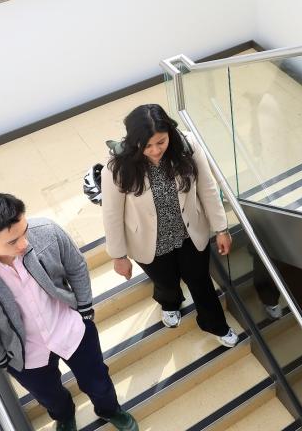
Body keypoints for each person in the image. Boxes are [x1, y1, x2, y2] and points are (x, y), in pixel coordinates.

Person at [0, 193, 138, 431]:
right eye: (12, 242)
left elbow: (76, 266)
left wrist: (85, 311)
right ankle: (65, 417)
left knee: (98, 381)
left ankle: (110, 410)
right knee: (50, 398)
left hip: (70, 327)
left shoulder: (47, 231)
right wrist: (2, 359)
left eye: (24, 231)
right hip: (25, 354)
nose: (23, 243)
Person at [101, 104, 239, 347]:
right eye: (147, 145)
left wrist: (221, 229)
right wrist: (118, 256)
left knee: (201, 282)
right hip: (148, 241)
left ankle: (215, 323)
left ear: (170, 135)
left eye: (161, 142)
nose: (155, 151)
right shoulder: (118, 166)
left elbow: (207, 188)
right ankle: (170, 303)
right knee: (166, 282)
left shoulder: (187, 146)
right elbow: (111, 214)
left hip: (189, 233)